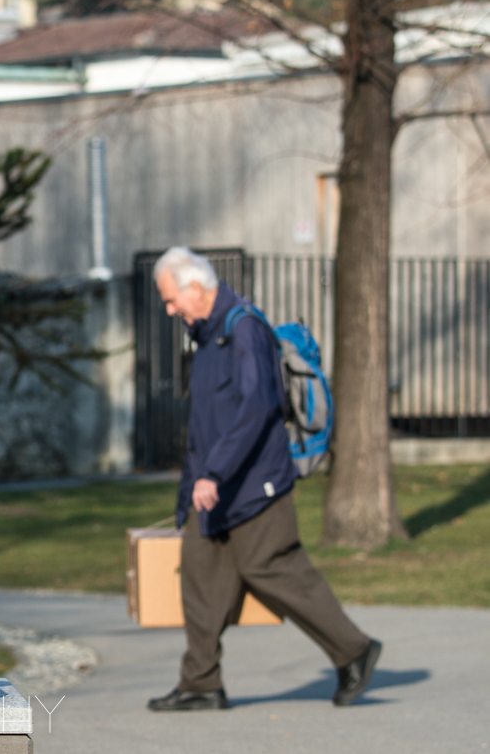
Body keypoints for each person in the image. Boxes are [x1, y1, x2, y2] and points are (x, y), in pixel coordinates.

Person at [146, 247, 381, 711]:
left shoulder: (245, 329)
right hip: (213, 489)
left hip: (254, 484)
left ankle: (354, 650)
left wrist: (214, 472)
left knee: (273, 568)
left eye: (171, 300)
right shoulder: (207, 337)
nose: (169, 310)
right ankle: (200, 683)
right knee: (198, 573)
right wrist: (192, 487)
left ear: (195, 288)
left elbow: (256, 409)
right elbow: (207, 422)